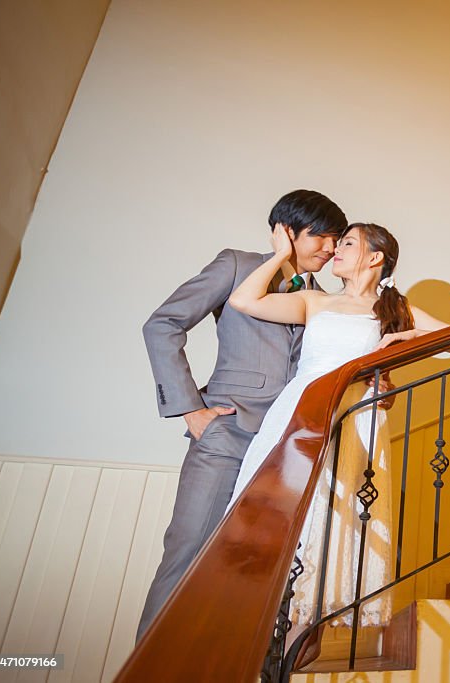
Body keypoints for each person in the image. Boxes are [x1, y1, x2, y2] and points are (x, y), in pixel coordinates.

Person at [137, 190, 347, 641]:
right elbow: (162, 324)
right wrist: (191, 409)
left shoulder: (326, 301)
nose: (331, 249)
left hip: (288, 451)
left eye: (337, 241)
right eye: (323, 237)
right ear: (287, 232)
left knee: (253, 572)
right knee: (188, 552)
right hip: (228, 436)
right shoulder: (237, 266)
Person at [226, 221, 448, 630]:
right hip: (301, 407)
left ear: (375, 257)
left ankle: (307, 621)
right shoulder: (315, 301)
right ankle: (263, 617)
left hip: (355, 416)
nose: (334, 250)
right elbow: (244, 299)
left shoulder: (395, 310)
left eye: (347, 243)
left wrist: (407, 336)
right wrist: (280, 255)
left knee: (333, 511)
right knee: (285, 501)